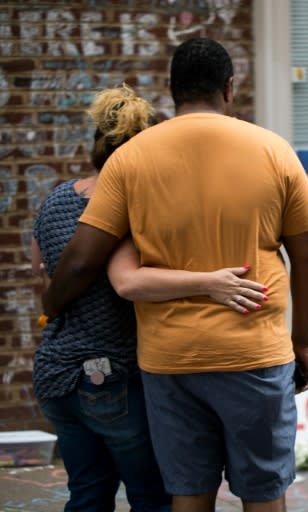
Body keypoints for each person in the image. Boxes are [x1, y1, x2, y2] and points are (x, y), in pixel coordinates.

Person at [42, 38, 308, 512]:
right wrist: (303, 343)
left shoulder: (131, 159)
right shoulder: (274, 151)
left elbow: (81, 259)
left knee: (188, 493)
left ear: (171, 92)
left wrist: (50, 306)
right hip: (254, 354)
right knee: (264, 493)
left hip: (170, 361)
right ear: (229, 88)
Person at [32, 84, 268, 512]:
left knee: (86, 494)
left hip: (56, 375)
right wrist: (208, 281)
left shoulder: (55, 199)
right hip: (114, 378)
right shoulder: (126, 203)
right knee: (153, 498)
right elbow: (127, 281)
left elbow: (42, 272)